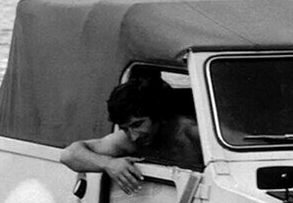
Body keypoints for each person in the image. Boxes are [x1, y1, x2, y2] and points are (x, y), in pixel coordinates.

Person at [60, 78, 203, 194]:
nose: (133, 137)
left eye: (137, 125)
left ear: (158, 115)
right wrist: (108, 164)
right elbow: (69, 155)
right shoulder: (128, 140)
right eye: (125, 128)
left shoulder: (191, 132)